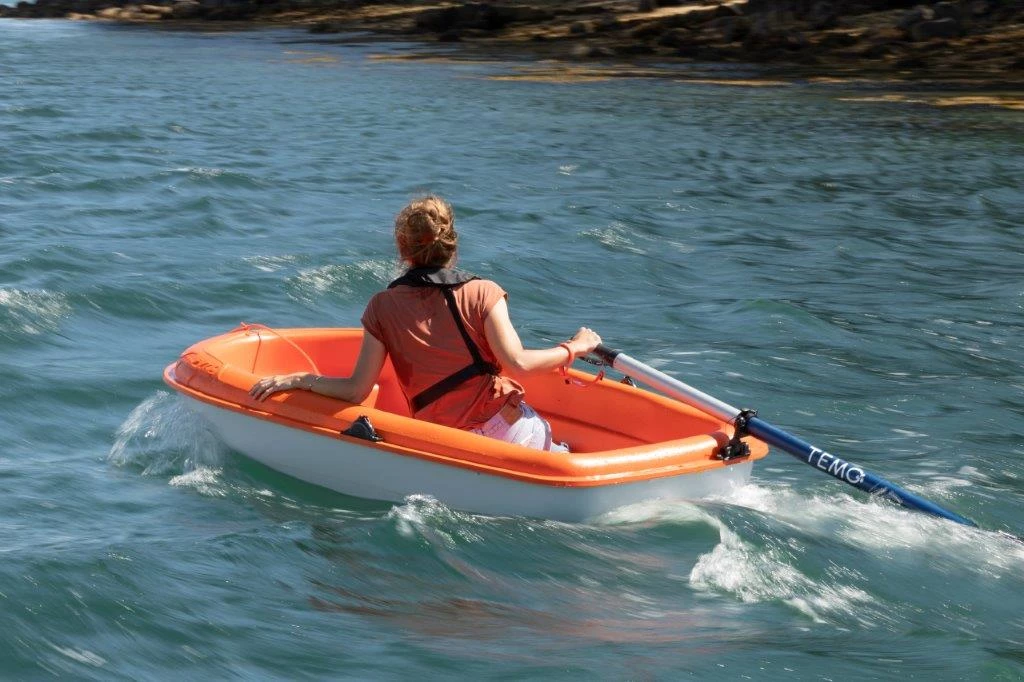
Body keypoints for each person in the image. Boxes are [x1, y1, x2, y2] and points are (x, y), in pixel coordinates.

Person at [249, 195, 601, 452]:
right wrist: (575, 347)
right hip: (511, 431)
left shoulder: (382, 306)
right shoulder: (483, 292)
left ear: (402, 248)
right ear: (452, 243)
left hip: (445, 445)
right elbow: (519, 363)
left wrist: (301, 379)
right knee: (562, 452)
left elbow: (355, 391)